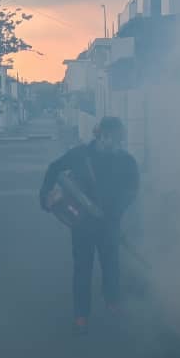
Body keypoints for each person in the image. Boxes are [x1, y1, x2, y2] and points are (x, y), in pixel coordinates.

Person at [40, 116, 140, 335]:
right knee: (82, 269)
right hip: (82, 225)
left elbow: (133, 188)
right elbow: (54, 168)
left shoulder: (126, 161)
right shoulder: (80, 155)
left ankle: (113, 302)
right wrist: (44, 197)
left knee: (111, 266)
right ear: (100, 134)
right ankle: (81, 315)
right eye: (111, 138)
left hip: (110, 224)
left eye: (118, 140)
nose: (114, 144)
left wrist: (118, 209)